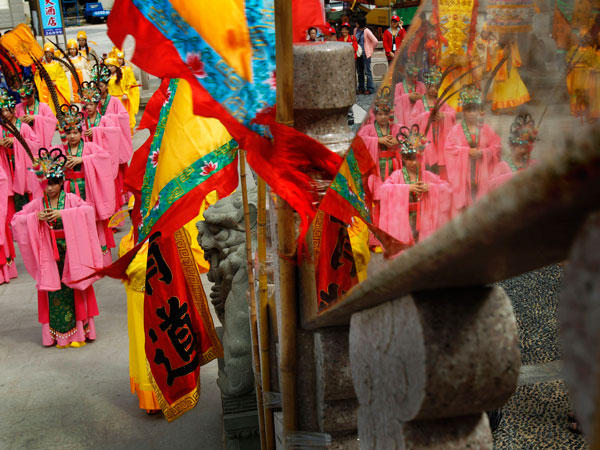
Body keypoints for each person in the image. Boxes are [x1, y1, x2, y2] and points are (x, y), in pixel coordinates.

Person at [11, 147, 103, 348]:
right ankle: (57, 335)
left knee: (74, 290)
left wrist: (64, 215)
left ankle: (78, 333)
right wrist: (35, 218)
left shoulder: (70, 200)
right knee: (54, 294)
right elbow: (16, 220)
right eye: (46, 184)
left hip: (70, 253)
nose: (49, 188)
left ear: (62, 182)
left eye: (53, 183)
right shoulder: (38, 203)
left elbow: (88, 211)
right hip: (50, 257)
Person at [59, 104, 116, 265]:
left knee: (94, 221)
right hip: (69, 190)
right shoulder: (60, 151)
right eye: (68, 132)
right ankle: (83, 259)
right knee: (75, 222)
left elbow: (104, 158)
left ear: (81, 132)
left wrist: (83, 159)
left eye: (75, 132)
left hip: (89, 188)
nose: (72, 136)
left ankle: (101, 257)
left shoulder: (90, 147)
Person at [119, 196, 161, 414]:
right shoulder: (126, 243)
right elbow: (126, 274)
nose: (137, 217)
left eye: (140, 212)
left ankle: (169, 392)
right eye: (132, 213)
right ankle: (151, 398)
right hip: (137, 302)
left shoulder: (160, 238)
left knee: (162, 346)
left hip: (160, 301)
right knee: (142, 346)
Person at [378, 125, 451, 249]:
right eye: (410, 159)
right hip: (403, 222)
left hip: (424, 221)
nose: (414, 162)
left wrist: (430, 187)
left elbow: (447, 188)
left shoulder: (427, 176)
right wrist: (407, 188)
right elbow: (384, 190)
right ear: (404, 158)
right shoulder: (397, 175)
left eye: (417, 159)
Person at [444, 85, 501, 214]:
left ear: (478, 111)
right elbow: (448, 148)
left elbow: (496, 146)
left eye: (474, 110)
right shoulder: (455, 131)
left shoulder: (485, 129)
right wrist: (466, 151)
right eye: (468, 110)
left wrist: (484, 152)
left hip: (482, 174)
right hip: (464, 177)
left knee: (481, 207)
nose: (471, 114)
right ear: (463, 111)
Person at [357, 89, 402, 248]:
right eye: (380, 114)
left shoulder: (396, 128)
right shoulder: (369, 129)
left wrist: (397, 141)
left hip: (392, 168)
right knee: (377, 204)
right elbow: (360, 141)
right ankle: (375, 239)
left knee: (393, 201)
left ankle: (394, 234)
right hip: (376, 171)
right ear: (374, 115)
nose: (383, 117)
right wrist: (377, 140)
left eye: (385, 113)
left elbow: (407, 138)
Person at [79, 81, 124, 211]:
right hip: (89, 158)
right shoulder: (82, 122)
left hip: (103, 159)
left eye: (91, 104)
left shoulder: (105, 120)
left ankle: (113, 215)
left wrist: (96, 131)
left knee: (108, 187)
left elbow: (115, 134)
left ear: (97, 104)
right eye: (86, 105)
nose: (89, 107)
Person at [0, 89, 42, 215]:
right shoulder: (1, 128)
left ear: (14, 109)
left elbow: (36, 145)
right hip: (7, 164)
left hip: (22, 167)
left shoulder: (23, 127)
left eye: (8, 110)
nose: (5, 114)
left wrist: (17, 142)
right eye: (2, 111)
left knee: (25, 198)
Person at [409, 66, 456, 177]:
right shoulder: (420, 103)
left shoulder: (440, 102)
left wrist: (443, 115)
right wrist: (426, 116)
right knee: (428, 165)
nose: (434, 90)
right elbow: (412, 121)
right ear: (426, 86)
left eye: (436, 87)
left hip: (440, 138)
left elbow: (453, 114)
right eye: (432, 87)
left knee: (441, 165)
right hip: (426, 140)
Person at [490, 114, 538, 189]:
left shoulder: (532, 164)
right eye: (519, 146)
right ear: (511, 145)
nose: (523, 150)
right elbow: (492, 184)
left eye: (525, 147)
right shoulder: (502, 166)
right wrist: (514, 175)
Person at [488, 34, 530, 113]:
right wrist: (503, 48)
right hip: (500, 71)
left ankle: (509, 108)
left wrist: (510, 44)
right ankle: (499, 108)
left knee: (511, 88)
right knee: (501, 90)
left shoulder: (513, 42)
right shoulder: (495, 42)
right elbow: (494, 55)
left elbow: (515, 56)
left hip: (510, 70)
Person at [15, 80, 57, 148]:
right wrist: (18, 120)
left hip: (41, 142)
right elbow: (10, 124)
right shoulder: (18, 107)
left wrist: (36, 118)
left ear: (34, 93)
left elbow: (53, 121)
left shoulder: (44, 107)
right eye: (23, 98)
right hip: (25, 142)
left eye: (28, 97)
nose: (26, 100)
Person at [34, 43, 70, 116]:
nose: (48, 56)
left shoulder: (57, 65)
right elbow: (37, 78)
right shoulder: (41, 65)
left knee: (57, 104)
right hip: (45, 89)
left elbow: (62, 77)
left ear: (52, 54)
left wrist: (56, 82)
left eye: (49, 54)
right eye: (46, 54)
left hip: (56, 89)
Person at [105, 57, 136, 133]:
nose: (110, 68)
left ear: (116, 66)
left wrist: (126, 93)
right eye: (108, 66)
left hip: (120, 99)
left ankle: (125, 132)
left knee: (121, 117)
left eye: (112, 66)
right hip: (109, 99)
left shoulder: (121, 75)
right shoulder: (106, 77)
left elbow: (128, 85)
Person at [112, 48, 140, 130]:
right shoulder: (112, 71)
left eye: (120, 59)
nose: (119, 61)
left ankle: (128, 132)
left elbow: (131, 83)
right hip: (114, 97)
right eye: (117, 59)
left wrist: (126, 93)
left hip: (123, 97)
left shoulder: (127, 70)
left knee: (125, 115)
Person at [393, 60, 426, 127]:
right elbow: (395, 102)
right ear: (407, 76)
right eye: (414, 77)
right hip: (404, 116)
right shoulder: (398, 87)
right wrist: (407, 96)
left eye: (417, 76)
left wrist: (422, 97)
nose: (416, 79)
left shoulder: (421, 85)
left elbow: (429, 99)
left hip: (418, 116)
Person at [355, 17, 378, 95]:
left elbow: (375, 40)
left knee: (368, 72)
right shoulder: (355, 30)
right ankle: (361, 88)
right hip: (358, 54)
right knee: (360, 72)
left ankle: (370, 88)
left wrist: (370, 50)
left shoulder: (366, 31)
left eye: (357, 22)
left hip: (365, 54)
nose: (356, 24)